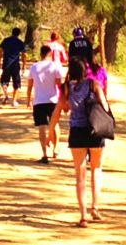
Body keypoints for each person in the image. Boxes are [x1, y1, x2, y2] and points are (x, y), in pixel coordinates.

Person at [49, 56, 111, 226]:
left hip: (76, 133)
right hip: (94, 131)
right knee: (96, 169)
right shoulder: (94, 84)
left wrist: (50, 132)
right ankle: (95, 208)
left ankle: (83, 216)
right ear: (84, 70)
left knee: (80, 176)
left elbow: (58, 111)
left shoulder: (66, 89)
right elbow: (105, 107)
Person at [26, 44, 65, 162]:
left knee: (42, 126)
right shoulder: (55, 66)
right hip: (52, 100)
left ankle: (44, 153)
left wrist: (28, 100)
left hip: (39, 101)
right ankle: (56, 148)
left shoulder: (34, 67)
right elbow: (59, 84)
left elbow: (29, 85)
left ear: (41, 54)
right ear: (50, 54)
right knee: (55, 124)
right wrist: (63, 98)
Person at [0, 26, 28, 105]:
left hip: (6, 64)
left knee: (3, 82)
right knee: (16, 83)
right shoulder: (20, 42)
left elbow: (0, 51)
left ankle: (5, 95)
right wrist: (24, 66)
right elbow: (24, 55)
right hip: (15, 65)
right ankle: (14, 101)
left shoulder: (6, 41)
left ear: (12, 32)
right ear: (19, 34)